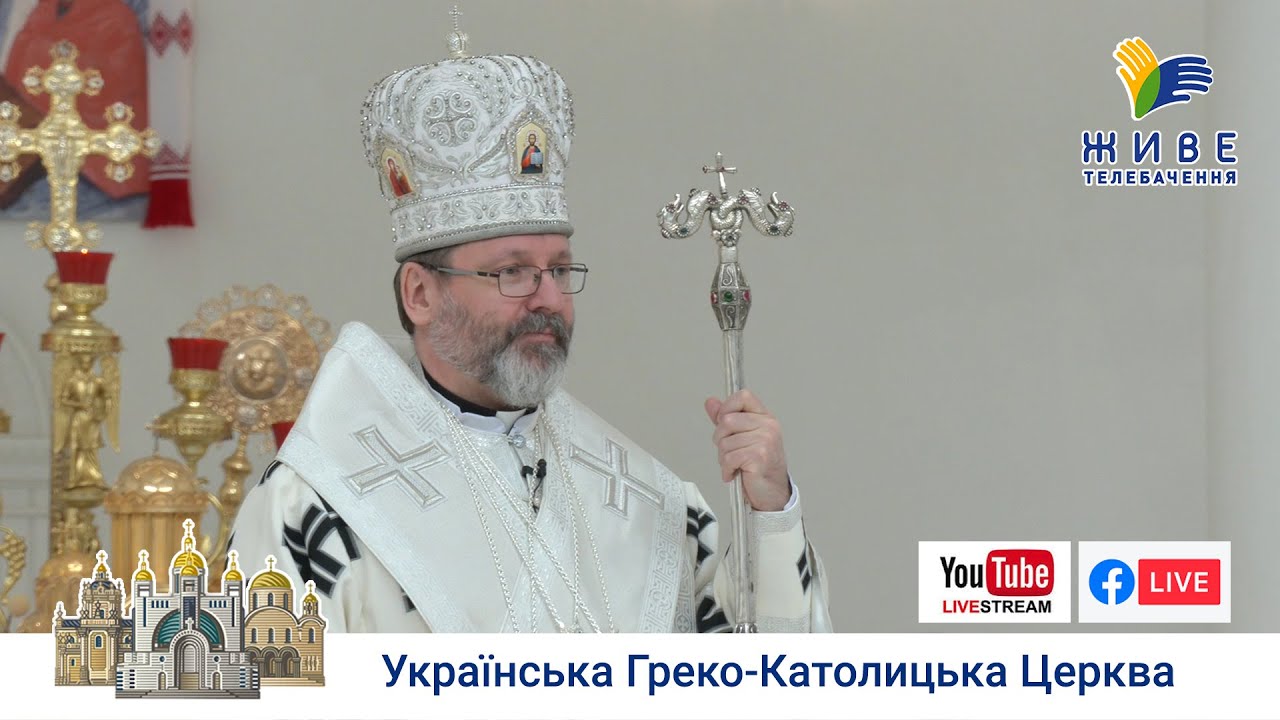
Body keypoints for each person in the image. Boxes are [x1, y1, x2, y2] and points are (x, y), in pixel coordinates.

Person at [228, 43, 831, 633]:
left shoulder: (642, 498)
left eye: (560, 270)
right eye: (512, 272)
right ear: (420, 294)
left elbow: (762, 673)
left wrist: (770, 511)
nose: (549, 298)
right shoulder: (317, 504)